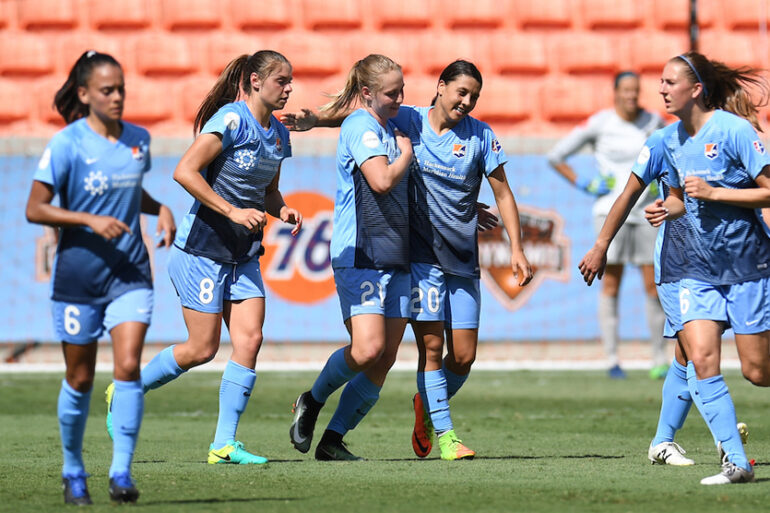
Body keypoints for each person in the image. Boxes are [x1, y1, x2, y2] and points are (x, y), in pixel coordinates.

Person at [284, 59, 533, 460]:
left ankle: (423, 408)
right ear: (440, 86)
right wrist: (314, 119)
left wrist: (515, 246)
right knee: (406, 350)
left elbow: (502, 191)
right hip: (418, 257)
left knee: (460, 356)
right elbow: (359, 116)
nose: (467, 102)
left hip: (460, 254)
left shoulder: (480, 136)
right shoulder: (410, 122)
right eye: (461, 92)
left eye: (474, 96)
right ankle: (430, 433)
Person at [108, 50, 302, 465]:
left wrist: (280, 209)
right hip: (203, 249)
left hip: (243, 253)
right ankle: (127, 387)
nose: (288, 88)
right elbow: (185, 171)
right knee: (201, 348)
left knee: (250, 339)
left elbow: (267, 191)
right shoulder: (232, 121)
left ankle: (223, 444)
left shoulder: (281, 135)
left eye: (290, 80)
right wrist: (232, 210)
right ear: (254, 80)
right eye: (281, 80)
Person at [25, 50, 176, 505]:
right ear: (85, 94)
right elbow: (35, 207)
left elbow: (130, 189)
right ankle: (73, 470)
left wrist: (160, 208)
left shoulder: (138, 140)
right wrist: (88, 221)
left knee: (128, 366)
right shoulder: (66, 144)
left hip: (129, 274)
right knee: (80, 378)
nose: (117, 98)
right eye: (107, 91)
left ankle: (121, 473)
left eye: (121, 90)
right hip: (78, 278)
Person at [640, 52, 770, 484]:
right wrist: (668, 208)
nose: (661, 88)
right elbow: (678, 195)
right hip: (694, 268)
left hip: (747, 265)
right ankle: (736, 461)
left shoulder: (734, 131)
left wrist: (715, 194)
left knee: (757, 371)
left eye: (669, 81)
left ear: (695, 89)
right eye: (659, 81)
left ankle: (679, 440)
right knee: (701, 358)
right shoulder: (669, 139)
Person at [288, 54, 414, 461]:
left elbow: (426, 114)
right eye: (392, 93)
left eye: (402, 90)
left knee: (385, 356)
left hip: (395, 251)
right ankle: (312, 398)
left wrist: (320, 120)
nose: (399, 98)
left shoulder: (386, 122)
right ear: (368, 93)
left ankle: (333, 439)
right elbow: (379, 181)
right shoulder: (363, 126)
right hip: (360, 251)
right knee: (366, 351)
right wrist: (407, 156)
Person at [547, 72, 667, 379]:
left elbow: (670, 158)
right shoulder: (601, 123)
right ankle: (612, 358)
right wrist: (585, 183)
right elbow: (556, 156)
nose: (631, 96)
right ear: (615, 92)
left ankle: (658, 357)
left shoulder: (653, 122)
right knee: (610, 282)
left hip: (645, 212)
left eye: (635, 90)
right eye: (625, 90)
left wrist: (659, 185)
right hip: (608, 212)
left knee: (652, 284)